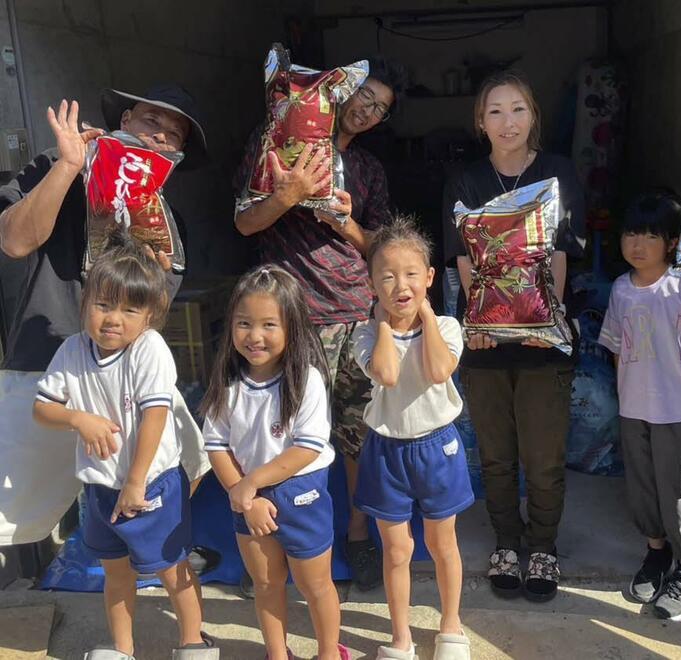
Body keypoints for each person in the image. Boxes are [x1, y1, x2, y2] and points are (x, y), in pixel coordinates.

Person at [0, 84, 209, 548]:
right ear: (126, 120)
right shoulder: (56, 166)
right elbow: (14, 242)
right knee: (9, 513)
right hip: (43, 362)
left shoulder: (164, 222)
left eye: (173, 136)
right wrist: (69, 165)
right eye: (152, 123)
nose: (159, 138)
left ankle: (155, 556)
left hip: (122, 382)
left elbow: (152, 317)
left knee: (190, 462)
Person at [234, 59, 402, 591]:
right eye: (362, 95)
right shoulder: (274, 145)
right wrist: (288, 195)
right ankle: (286, 536)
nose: (366, 109)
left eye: (379, 107)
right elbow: (242, 221)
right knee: (283, 432)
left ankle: (354, 534)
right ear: (334, 92)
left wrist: (342, 220)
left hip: (353, 313)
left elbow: (382, 245)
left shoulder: (370, 170)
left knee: (354, 435)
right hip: (288, 317)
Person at [32, 237, 215, 660]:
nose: (113, 319)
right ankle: (122, 648)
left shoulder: (148, 348)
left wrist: (136, 482)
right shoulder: (73, 349)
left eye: (129, 310)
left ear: (150, 316)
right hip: (100, 487)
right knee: (114, 573)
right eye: (103, 305)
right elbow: (43, 409)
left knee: (172, 568)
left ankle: (193, 642)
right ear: (85, 303)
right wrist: (78, 418)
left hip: (150, 483)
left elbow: (156, 415)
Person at [442, 69, 586, 602]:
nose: (508, 122)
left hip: (542, 341)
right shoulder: (465, 183)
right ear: (480, 122)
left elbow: (559, 253)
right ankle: (507, 540)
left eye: (518, 109)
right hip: (484, 344)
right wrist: (475, 327)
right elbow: (463, 262)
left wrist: (540, 323)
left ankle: (543, 545)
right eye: (496, 111)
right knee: (496, 454)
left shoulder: (557, 173)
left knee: (544, 457)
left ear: (534, 117)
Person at [201, 265, 349, 660]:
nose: (254, 336)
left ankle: (328, 654)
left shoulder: (306, 380)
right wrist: (243, 493)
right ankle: (277, 654)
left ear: (292, 327)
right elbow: (215, 444)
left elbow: (307, 448)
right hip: (244, 495)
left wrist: (252, 484)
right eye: (244, 323)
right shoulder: (227, 383)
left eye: (269, 324)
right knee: (266, 583)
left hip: (301, 493)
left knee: (315, 584)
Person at [598, 192, 681, 621]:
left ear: (671, 242)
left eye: (650, 236)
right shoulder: (620, 289)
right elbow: (618, 348)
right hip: (635, 407)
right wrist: (624, 394)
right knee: (643, 485)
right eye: (630, 234)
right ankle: (656, 554)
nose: (637, 245)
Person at [351, 218, 474, 660]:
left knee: (444, 545)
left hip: (437, 448)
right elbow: (385, 373)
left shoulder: (447, 327)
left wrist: (424, 316)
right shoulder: (366, 334)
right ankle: (400, 635)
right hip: (387, 451)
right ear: (371, 285)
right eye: (386, 276)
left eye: (410, 274)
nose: (399, 285)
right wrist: (385, 324)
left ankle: (451, 625)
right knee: (397, 549)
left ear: (429, 278)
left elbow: (440, 371)